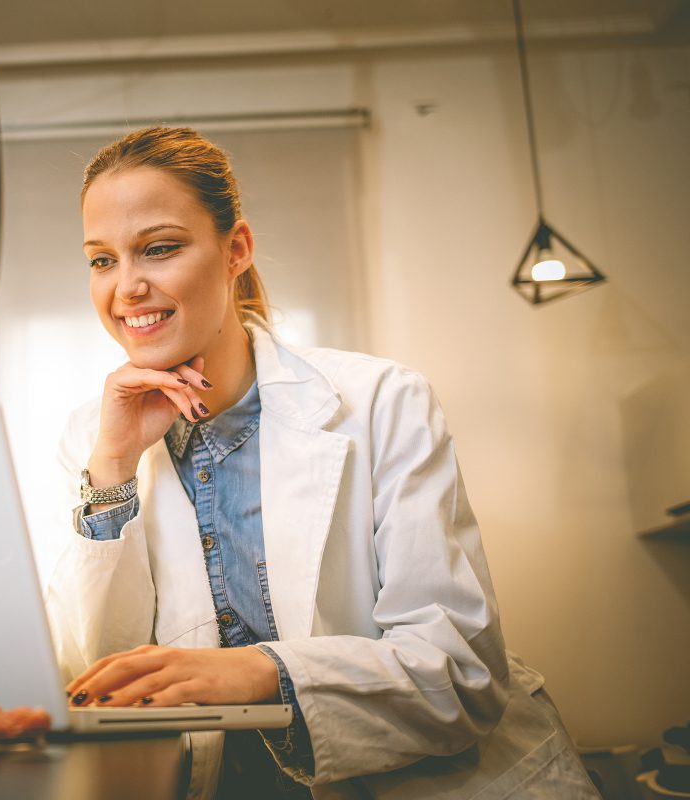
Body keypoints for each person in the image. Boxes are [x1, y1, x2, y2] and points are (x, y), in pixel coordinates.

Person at [43, 127, 598, 799]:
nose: (127, 287)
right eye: (102, 260)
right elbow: (94, 672)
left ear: (235, 250)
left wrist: (259, 672)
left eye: (159, 249)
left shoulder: (382, 401)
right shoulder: (94, 438)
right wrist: (114, 468)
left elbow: (458, 675)